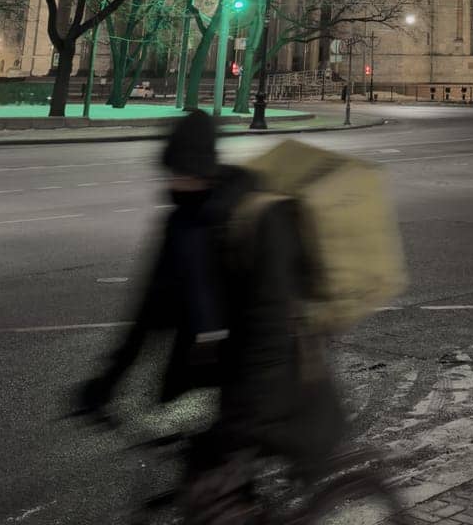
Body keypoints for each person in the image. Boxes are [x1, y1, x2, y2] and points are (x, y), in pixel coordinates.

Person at [76, 110, 345, 521]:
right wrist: (106, 382)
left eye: (180, 171)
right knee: (201, 486)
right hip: (224, 373)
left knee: (219, 490)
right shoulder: (181, 224)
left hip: (274, 377)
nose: (172, 183)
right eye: (170, 172)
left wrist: (244, 419)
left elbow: (270, 331)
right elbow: (149, 313)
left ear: (201, 167)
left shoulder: (260, 218)